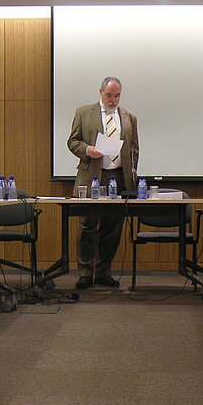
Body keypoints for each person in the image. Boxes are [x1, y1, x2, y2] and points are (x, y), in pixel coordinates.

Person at [67, 77, 139, 289]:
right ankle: (85, 273)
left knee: (112, 228)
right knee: (87, 226)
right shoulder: (83, 113)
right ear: (100, 92)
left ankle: (102, 272)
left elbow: (134, 148)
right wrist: (87, 150)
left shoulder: (129, 117)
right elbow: (72, 141)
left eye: (117, 96)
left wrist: (131, 174)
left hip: (118, 177)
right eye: (109, 95)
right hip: (92, 177)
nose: (113, 100)